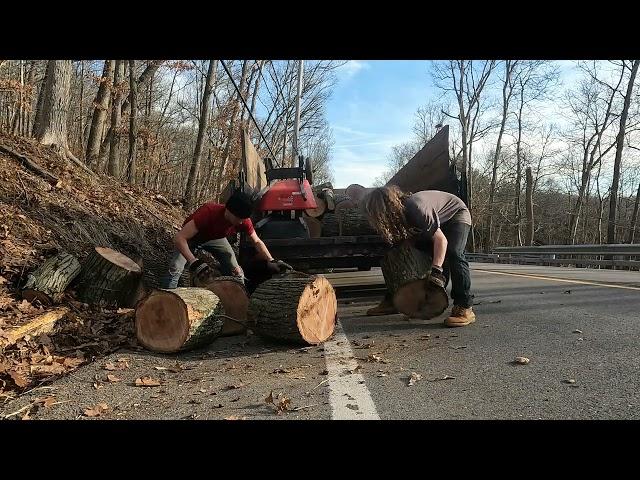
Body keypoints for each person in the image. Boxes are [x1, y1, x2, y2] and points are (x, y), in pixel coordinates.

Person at [363, 186, 475, 327]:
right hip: (438, 221)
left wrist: (436, 271)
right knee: (402, 253)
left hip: (456, 214)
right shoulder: (401, 216)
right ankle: (392, 300)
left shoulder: (416, 207)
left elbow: (441, 240)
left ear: (386, 209)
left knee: (454, 253)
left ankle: (464, 307)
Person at [160, 189, 291, 289]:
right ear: (229, 210)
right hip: (192, 238)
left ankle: (238, 302)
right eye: (238, 218)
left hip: (216, 238)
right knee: (175, 268)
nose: (241, 223)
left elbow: (257, 241)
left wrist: (271, 260)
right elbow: (180, 238)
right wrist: (194, 262)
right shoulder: (208, 212)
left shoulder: (244, 220)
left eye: (243, 219)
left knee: (237, 272)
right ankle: (167, 300)